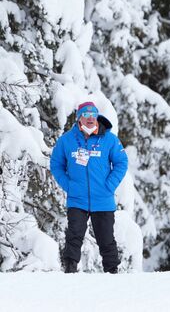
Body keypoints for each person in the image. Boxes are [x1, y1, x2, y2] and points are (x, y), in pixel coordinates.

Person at [50, 101, 128, 273]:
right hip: (77, 198)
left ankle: (112, 272)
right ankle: (70, 271)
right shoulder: (66, 140)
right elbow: (56, 164)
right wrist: (69, 185)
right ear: (79, 119)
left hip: (103, 199)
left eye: (93, 115)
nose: (90, 119)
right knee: (74, 236)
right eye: (86, 115)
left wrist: (110, 185)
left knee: (106, 239)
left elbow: (122, 162)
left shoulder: (109, 139)